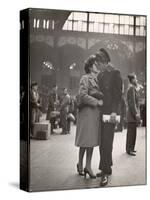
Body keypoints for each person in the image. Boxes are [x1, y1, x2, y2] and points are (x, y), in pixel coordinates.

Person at [96, 48, 123, 186]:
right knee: (102, 142)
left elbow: (118, 95)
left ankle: (105, 173)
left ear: (105, 62)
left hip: (110, 114)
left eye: (99, 64)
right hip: (101, 113)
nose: (97, 66)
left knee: (107, 142)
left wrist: (114, 111)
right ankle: (107, 167)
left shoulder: (115, 73)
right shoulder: (100, 76)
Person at [75, 55, 103, 178]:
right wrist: (97, 102)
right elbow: (82, 95)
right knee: (85, 141)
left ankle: (87, 166)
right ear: (91, 67)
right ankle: (81, 164)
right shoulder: (85, 78)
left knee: (90, 141)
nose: (98, 66)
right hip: (86, 114)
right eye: (96, 64)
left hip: (94, 114)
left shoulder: (97, 79)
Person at [126, 73, 141, 156]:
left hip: (132, 114)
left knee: (133, 132)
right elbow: (132, 103)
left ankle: (131, 148)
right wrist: (136, 114)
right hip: (131, 114)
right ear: (132, 80)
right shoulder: (131, 88)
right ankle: (129, 149)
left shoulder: (133, 88)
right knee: (131, 133)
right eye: (135, 78)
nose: (137, 80)